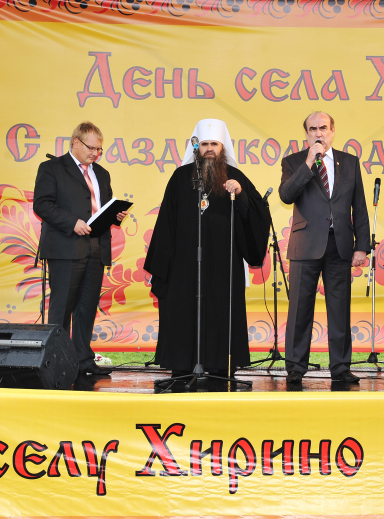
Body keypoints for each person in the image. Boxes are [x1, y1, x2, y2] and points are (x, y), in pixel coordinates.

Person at [144, 119, 270, 376]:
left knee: (220, 313)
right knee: (183, 311)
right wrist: (163, 266)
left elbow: (257, 215)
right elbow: (166, 222)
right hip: (184, 265)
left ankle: (219, 368)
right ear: (196, 147)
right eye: (204, 144)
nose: (209, 149)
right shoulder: (180, 177)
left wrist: (241, 195)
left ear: (223, 148)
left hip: (224, 265)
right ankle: (182, 367)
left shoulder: (236, 177)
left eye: (214, 144)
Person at [279, 112, 371, 384]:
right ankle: (295, 367)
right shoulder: (293, 162)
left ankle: (341, 367)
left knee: (340, 310)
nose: (318, 133)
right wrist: (308, 163)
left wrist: (361, 246)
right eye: (312, 129)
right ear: (306, 134)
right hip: (305, 244)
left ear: (332, 130)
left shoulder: (350, 162)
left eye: (323, 128)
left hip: (339, 244)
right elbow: (286, 195)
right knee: (299, 309)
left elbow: (360, 206)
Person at [33, 121, 126, 376]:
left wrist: (115, 215)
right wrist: (72, 222)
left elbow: (102, 208)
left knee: (87, 307)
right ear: (76, 142)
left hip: (96, 247)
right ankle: (55, 362)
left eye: (99, 149)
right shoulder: (52, 168)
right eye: (91, 148)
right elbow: (42, 204)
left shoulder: (102, 173)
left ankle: (83, 360)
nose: (96, 153)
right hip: (65, 248)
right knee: (62, 307)